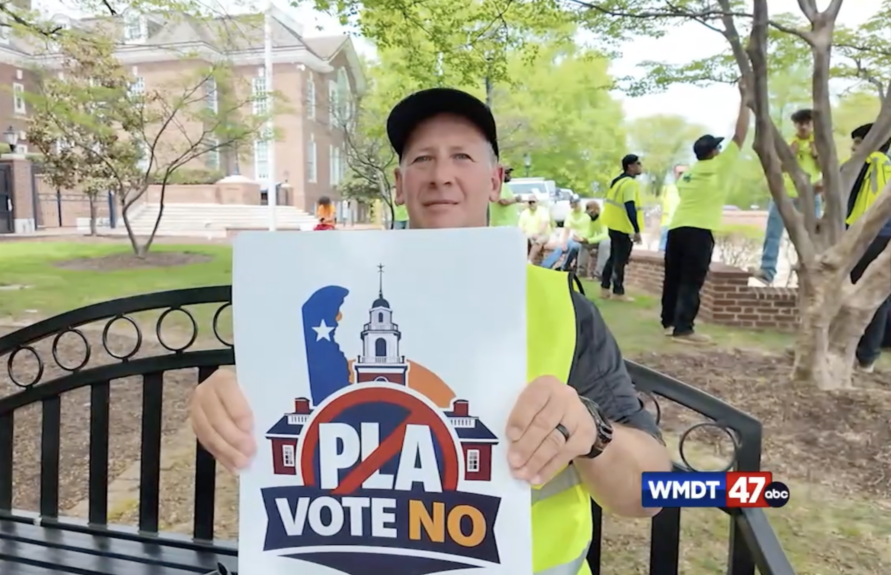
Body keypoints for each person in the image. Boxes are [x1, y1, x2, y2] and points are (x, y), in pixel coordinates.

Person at [189, 87, 671, 575]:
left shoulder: (561, 308)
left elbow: (649, 493)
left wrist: (593, 432)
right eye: (423, 159)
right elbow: (275, 414)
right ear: (400, 185)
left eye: (462, 156)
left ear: (495, 180)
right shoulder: (328, 298)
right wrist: (227, 401)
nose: (441, 174)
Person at [661, 85, 751, 344]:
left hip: (677, 228)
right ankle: (684, 329)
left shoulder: (688, 174)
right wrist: (745, 99)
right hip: (699, 231)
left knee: (673, 278)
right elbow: (740, 134)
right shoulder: (719, 166)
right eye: (718, 148)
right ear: (713, 152)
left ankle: (669, 322)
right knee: (692, 280)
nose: (721, 151)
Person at [751, 108, 823, 285]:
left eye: (807, 123)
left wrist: (816, 154)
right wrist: (789, 155)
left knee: (811, 237)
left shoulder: (819, 144)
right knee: (773, 233)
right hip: (785, 194)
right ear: (795, 125)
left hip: (809, 197)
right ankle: (767, 271)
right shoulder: (790, 143)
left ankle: (808, 277)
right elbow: (776, 168)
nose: (803, 127)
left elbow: (827, 169)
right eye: (800, 123)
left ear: (812, 125)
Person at [845, 122, 891, 373]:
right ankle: (868, 357)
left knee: (847, 290)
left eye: (857, 142)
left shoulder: (864, 164)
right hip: (884, 237)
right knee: (878, 296)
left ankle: (850, 350)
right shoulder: (888, 164)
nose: (853, 148)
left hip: (862, 237)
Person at [600, 154, 644, 302]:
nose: (640, 166)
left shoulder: (618, 181)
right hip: (624, 227)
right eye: (638, 163)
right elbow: (630, 206)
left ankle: (604, 288)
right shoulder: (630, 183)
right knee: (620, 260)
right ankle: (618, 292)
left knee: (613, 258)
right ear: (630, 166)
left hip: (613, 225)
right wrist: (636, 229)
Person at [544, 199, 585, 270]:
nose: (574, 205)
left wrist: (581, 239)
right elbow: (566, 230)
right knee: (560, 247)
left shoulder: (585, 214)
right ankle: (545, 266)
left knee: (573, 247)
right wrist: (564, 242)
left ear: (579, 203)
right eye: (572, 203)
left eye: (576, 203)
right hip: (573, 239)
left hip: (583, 240)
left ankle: (564, 267)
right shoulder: (570, 214)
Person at [577, 201, 611, 279]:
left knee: (604, 244)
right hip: (600, 239)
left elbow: (606, 234)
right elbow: (590, 233)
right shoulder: (592, 219)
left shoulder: (603, 217)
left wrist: (589, 240)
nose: (589, 215)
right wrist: (583, 238)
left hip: (609, 239)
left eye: (591, 212)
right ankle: (581, 272)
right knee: (584, 245)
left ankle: (599, 274)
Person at [518, 195, 554, 264]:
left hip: (543, 234)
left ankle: (529, 261)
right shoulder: (524, 213)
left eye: (533, 202)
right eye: (530, 202)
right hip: (529, 234)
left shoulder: (543, 211)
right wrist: (529, 234)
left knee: (538, 241)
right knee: (523, 241)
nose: (532, 204)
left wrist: (537, 233)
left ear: (537, 202)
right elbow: (520, 228)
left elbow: (544, 224)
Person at [658, 165, 686, 251]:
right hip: (667, 222)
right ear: (675, 173)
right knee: (663, 247)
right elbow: (662, 203)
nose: (682, 175)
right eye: (680, 173)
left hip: (683, 223)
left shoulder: (690, 189)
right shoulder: (667, 188)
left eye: (684, 173)